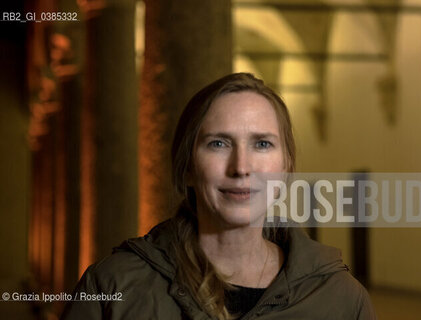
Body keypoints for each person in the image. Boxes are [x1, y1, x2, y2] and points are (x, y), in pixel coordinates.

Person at [61, 73, 377, 319]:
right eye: (218, 144)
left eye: (262, 144)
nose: (241, 167)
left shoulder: (340, 299)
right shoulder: (111, 287)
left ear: (285, 169)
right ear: (187, 168)